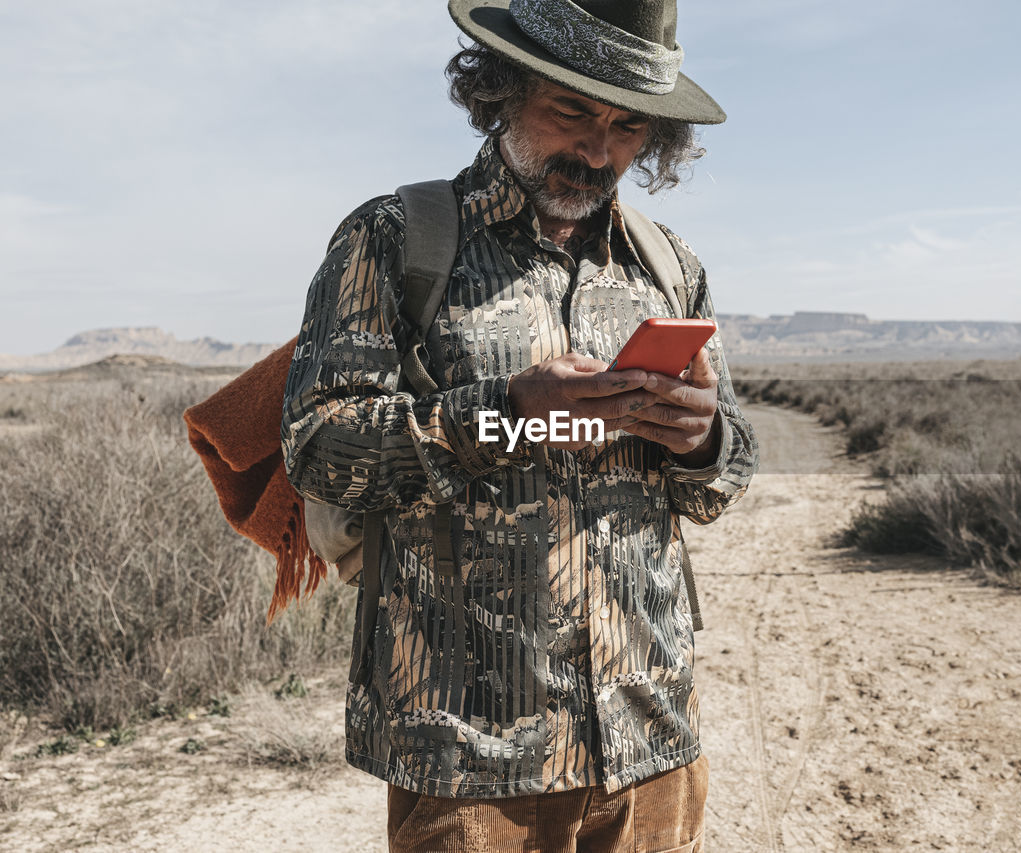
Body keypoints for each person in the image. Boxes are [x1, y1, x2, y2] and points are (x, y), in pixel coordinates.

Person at [280, 1, 758, 850]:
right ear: (501, 91)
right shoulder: (395, 242)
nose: (598, 150)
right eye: (571, 110)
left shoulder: (669, 266)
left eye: (627, 126)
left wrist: (704, 440)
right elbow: (319, 449)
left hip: (649, 738)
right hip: (468, 751)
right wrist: (501, 415)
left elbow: (725, 473)